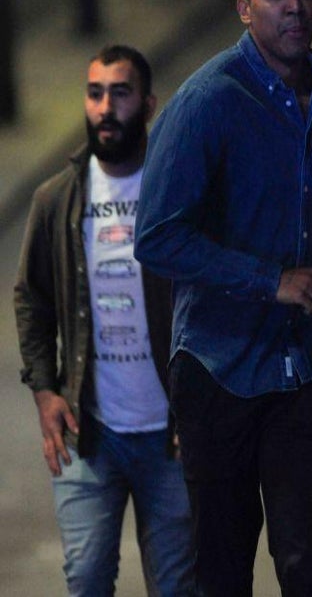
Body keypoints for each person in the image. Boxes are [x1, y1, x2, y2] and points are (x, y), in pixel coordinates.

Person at [134, 0, 312, 596]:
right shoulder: (206, 102)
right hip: (220, 372)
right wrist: (269, 281)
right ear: (245, 8)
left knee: (308, 567)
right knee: (222, 571)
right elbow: (156, 237)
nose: (294, 5)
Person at [14, 45, 193, 595]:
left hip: (172, 436)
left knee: (179, 587)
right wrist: (46, 390)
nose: (105, 107)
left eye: (120, 93)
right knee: (86, 578)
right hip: (90, 433)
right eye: (95, 94)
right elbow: (31, 298)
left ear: (147, 104)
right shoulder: (58, 199)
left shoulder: (178, 193)